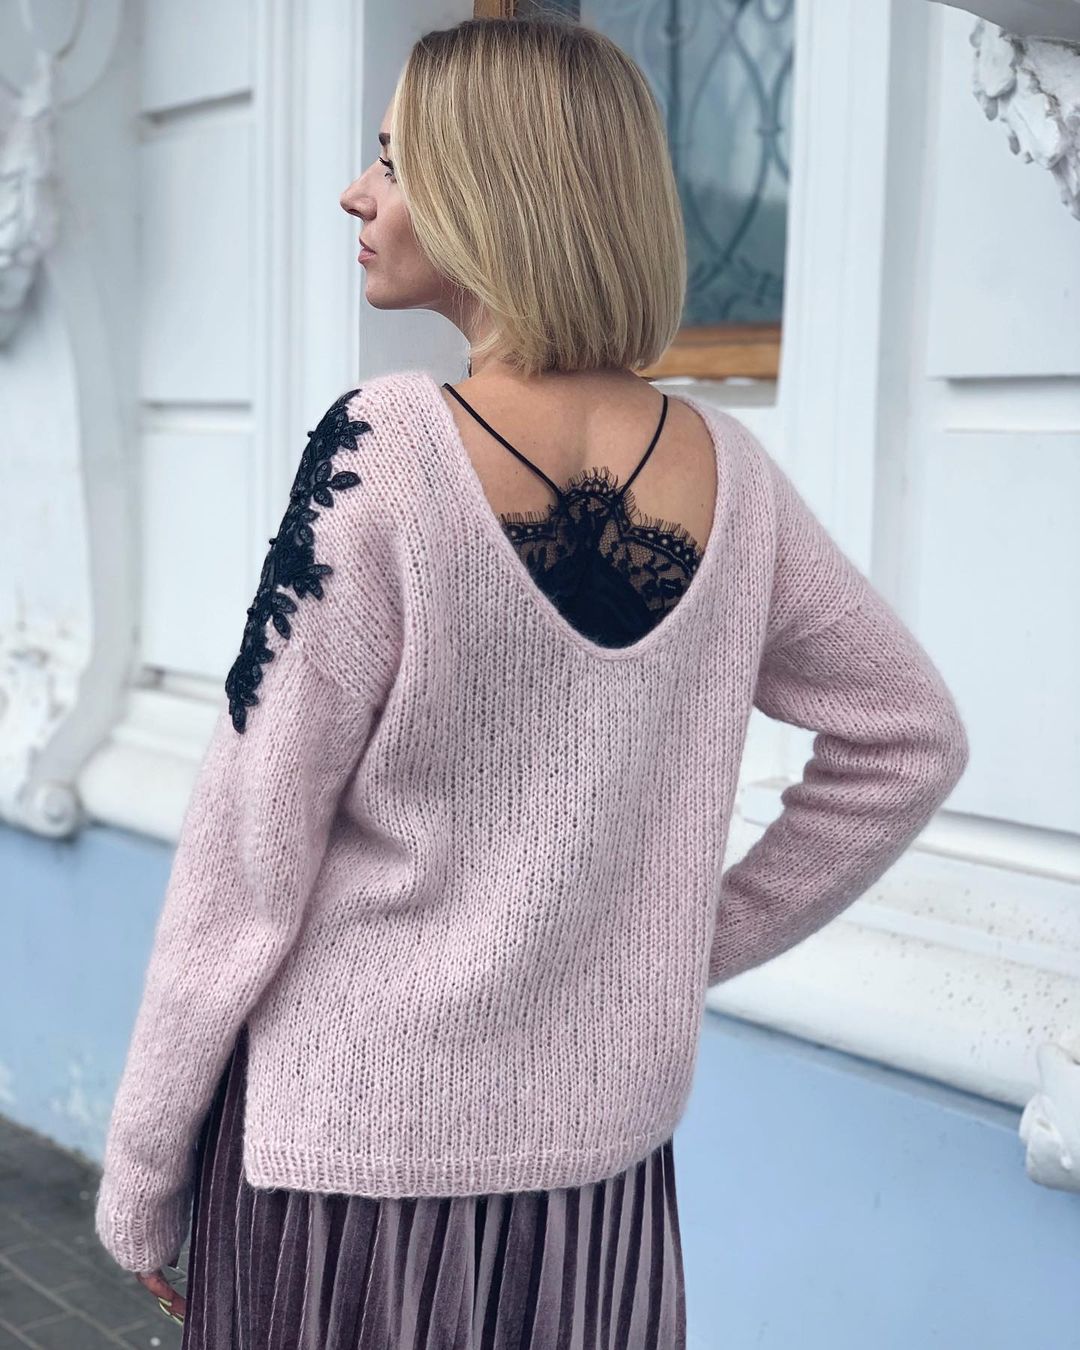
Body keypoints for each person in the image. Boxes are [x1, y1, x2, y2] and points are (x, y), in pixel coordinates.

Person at [94, 15, 969, 1349]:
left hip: (352, 1171)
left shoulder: (383, 448)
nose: (357, 192)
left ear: (493, 189)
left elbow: (247, 849)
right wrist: (673, 943)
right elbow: (910, 738)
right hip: (596, 1183)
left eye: (396, 160)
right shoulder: (733, 473)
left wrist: (143, 1174)